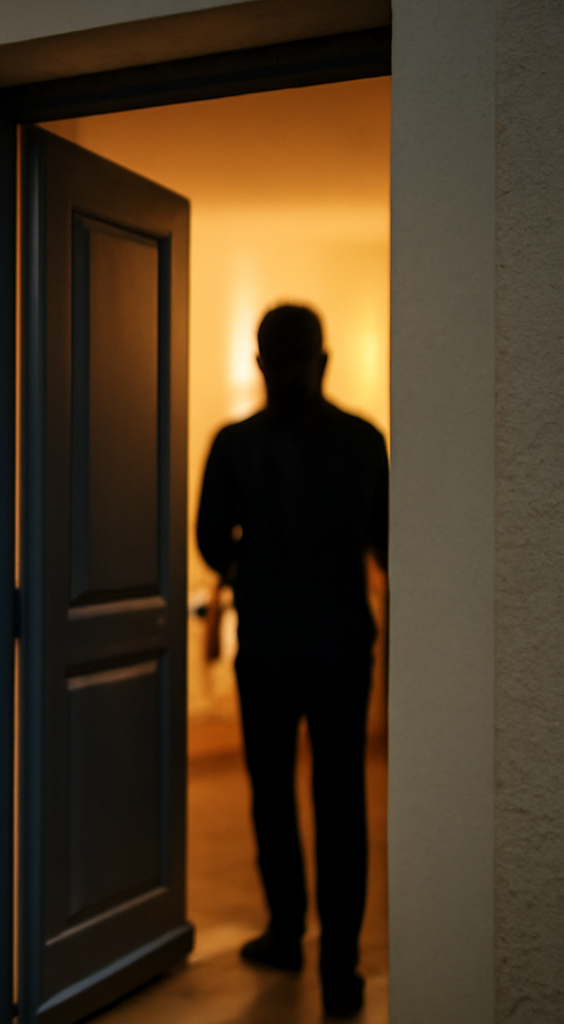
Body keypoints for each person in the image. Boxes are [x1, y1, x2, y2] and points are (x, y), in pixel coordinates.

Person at [196, 304, 388, 1019]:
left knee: (270, 790)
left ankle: (285, 930)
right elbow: (387, 537)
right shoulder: (363, 441)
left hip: (270, 640)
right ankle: (342, 965)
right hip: (342, 640)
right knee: (341, 799)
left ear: (259, 363)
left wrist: (254, 562)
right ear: (325, 360)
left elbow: (212, 538)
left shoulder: (235, 444)